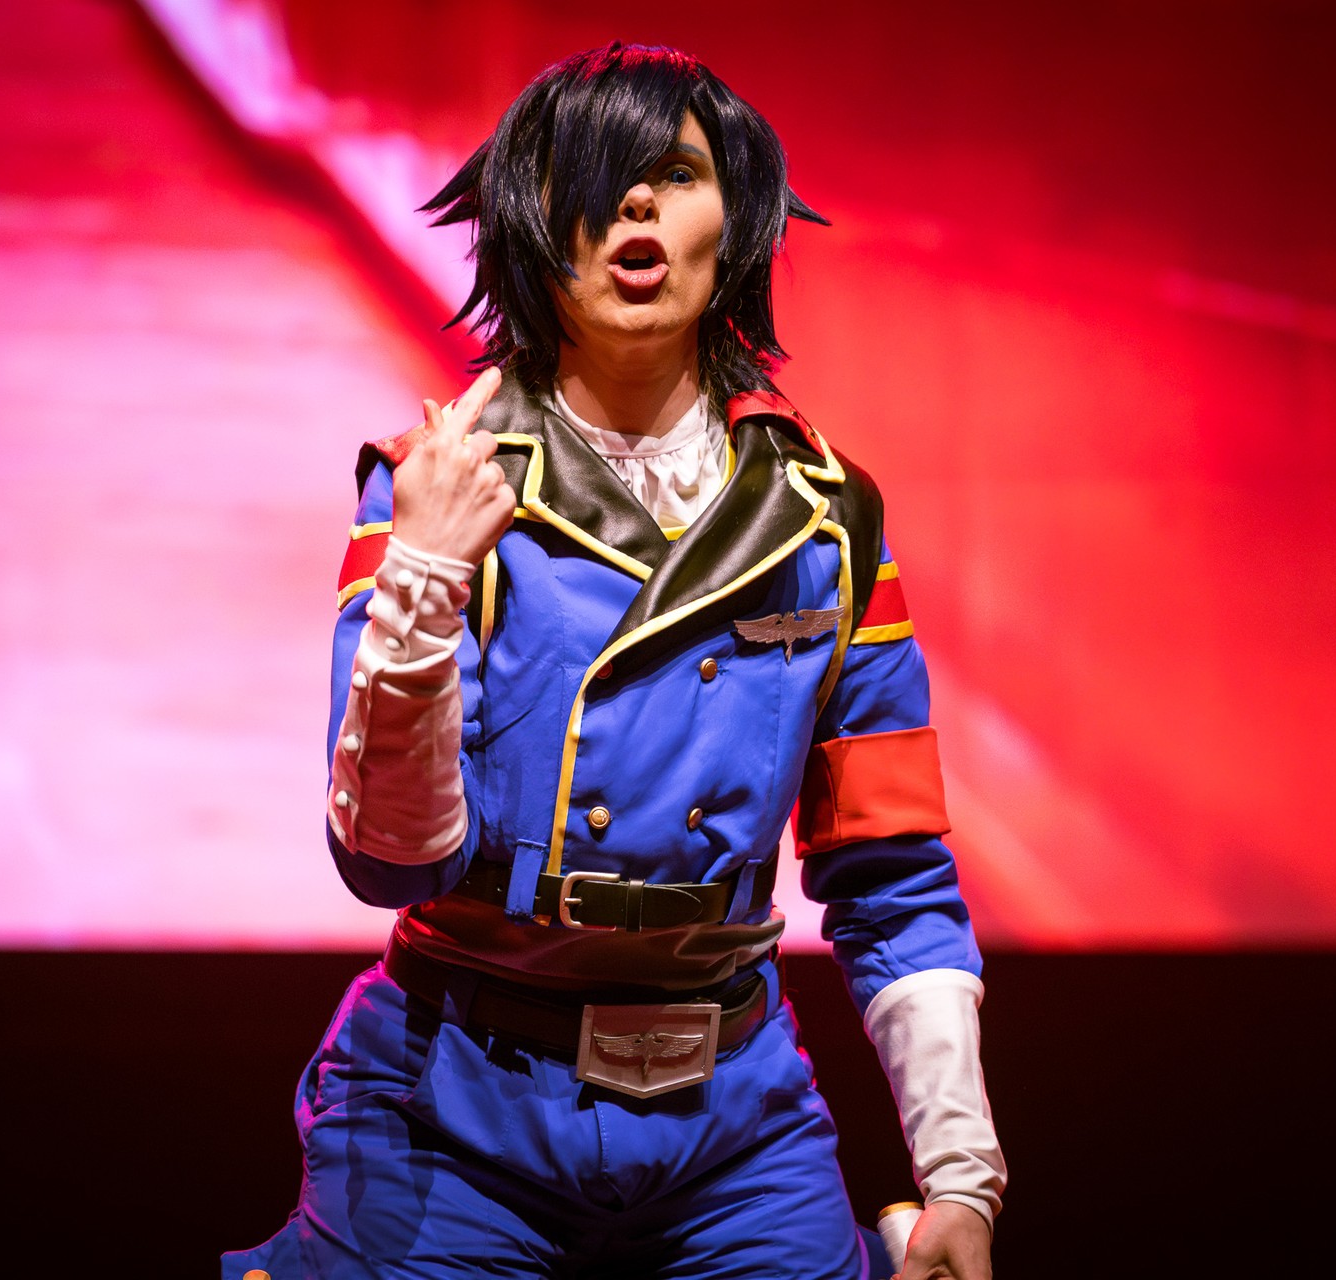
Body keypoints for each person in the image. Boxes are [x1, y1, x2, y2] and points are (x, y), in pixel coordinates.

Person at [225, 42, 1005, 1280]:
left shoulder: (826, 519)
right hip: (454, 1099)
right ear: (535, 227)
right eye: (598, 177)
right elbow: (386, 861)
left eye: (677, 174)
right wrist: (424, 573)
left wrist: (962, 1173)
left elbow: (894, 874)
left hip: (734, 1117)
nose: (637, 201)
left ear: (735, 219)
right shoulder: (437, 483)